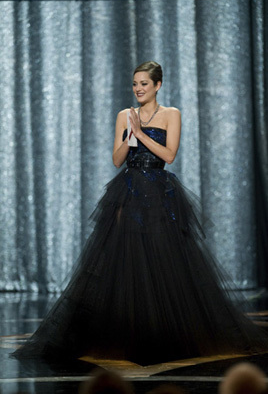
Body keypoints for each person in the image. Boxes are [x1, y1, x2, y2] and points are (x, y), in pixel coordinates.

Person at [11, 61, 268, 366]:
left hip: (159, 191)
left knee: (163, 260)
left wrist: (141, 133)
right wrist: (128, 136)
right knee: (124, 262)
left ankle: (166, 332)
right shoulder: (124, 115)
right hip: (129, 189)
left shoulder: (172, 114)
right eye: (135, 84)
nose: (138, 89)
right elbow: (117, 159)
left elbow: (170, 155)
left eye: (144, 84)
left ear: (158, 85)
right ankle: (123, 333)